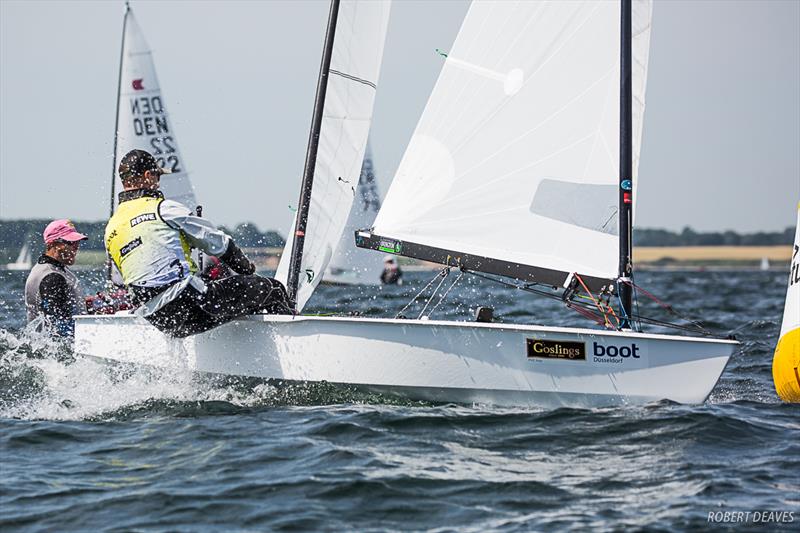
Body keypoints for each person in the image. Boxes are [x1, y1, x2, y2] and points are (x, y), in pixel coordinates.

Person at [105, 149, 291, 338]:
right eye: (157, 176)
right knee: (272, 289)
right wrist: (247, 271)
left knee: (229, 297)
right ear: (148, 175)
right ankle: (289, 348)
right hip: (190, 304)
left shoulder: (112, 227)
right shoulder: (164, 208)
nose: (158, 183)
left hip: (160, 319)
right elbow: (221, 244)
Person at [24, 219, 88, 337]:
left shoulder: (53, 269)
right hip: (56, 350)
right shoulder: (52, 277)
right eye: (71, 243)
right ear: (54, 244)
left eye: (77, 243)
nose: (76, 248)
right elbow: (59, 326)